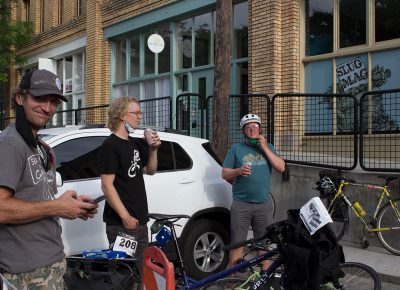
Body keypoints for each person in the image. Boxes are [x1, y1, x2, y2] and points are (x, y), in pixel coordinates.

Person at [0, 69, 98, 289]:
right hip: (25, 271)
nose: (47, 108)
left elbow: (38, 197)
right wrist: (56, 207)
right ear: (19, 98)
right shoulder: (10, 144)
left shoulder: (42, 147)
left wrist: (71, 205)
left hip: (51, 261)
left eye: (53, 101)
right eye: (39, 98)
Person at [97, 96, 161, 265]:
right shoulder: (110, 146)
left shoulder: (133, 143)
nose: (140, 117)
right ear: (123, 115)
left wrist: (153, 150)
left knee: (140, 271)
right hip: (121, 225)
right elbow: (106, 184)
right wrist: (125, 216)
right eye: (137, 113)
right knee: (123, 273)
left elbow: (151, 170)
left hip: (140, 221)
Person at [221, 113, 285, 271]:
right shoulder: (236, 149)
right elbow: (224, 173)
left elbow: (281, 167)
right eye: (248, 127)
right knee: (237, 243)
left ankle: (264, 277)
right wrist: (238, 171)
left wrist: (264, 147)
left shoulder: (268, 147)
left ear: (260, 128)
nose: (252, 129)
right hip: (241, 204)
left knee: (263, 244)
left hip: (263, 204)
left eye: (255, 126)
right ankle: (232, 281)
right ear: (243, 130)